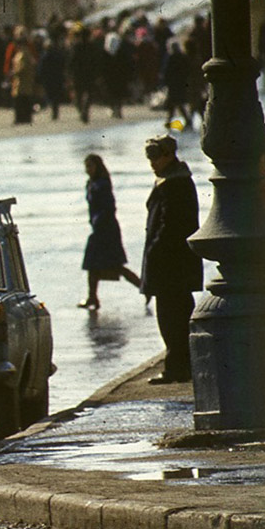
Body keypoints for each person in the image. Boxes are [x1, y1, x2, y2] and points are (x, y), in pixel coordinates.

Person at [141, 135, 202, 385]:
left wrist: (154, 251)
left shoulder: (173, 184)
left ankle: (176, 368)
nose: (152, 162)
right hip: (177, 264)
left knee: (170, 318)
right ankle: (182, 366)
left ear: (168, 155)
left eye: (155, 156)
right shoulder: (177, 179)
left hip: (169, 264)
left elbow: (169, 226)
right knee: (178, 315)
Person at [78, 154, 141, 310]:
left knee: (115, 266)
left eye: (90, 166)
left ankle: (143, 287)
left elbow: (110, 207)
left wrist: (98, 221)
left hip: (107, 230)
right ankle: (92, 298)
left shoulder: (102, 184)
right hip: (99, 228)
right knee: (92, 265)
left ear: (97, 166)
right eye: (86, 166)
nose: (88, 170)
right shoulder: (91, 183)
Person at [9, 29, 37, 125]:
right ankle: (23, 118)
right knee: (22, 100)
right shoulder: (23, 53)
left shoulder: (23, 53)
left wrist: (14, 72)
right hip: (22, 82)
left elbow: (22, 67)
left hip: (22, 82)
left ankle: (22, 118)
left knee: (21, 101)